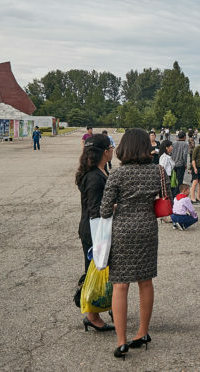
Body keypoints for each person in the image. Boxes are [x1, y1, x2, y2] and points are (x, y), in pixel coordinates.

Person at [99, 128, 162, 359]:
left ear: (125, 147)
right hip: (147, 228)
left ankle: (122, 341)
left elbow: (105, 209)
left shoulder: (117, 174)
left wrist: (118, 207)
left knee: (120, 285)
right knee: (145, 281)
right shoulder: (158, 171)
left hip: (123, 231)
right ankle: (143, 332)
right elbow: (164, 200)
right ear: (146, 146)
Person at [75, 133, 115, 332]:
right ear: (105, 152)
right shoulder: (94, 178)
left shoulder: (97, 171)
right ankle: (92, 316)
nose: (113, 151)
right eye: (111, 148)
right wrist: (114, 207)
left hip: (94, 228)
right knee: (93, 271)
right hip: (94, 231)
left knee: (98, 270)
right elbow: (95, 209)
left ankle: (100, 309)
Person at [171, 131, 190, 196]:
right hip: (180, 164)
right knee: (179, 181)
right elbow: (184, 155)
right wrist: (185, 164)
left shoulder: (173, 143)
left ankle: (173, 193)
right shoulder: (185, 144)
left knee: (173, 179)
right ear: (184, 137)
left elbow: (171, 153)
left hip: (173, 164)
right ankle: (177, 194)